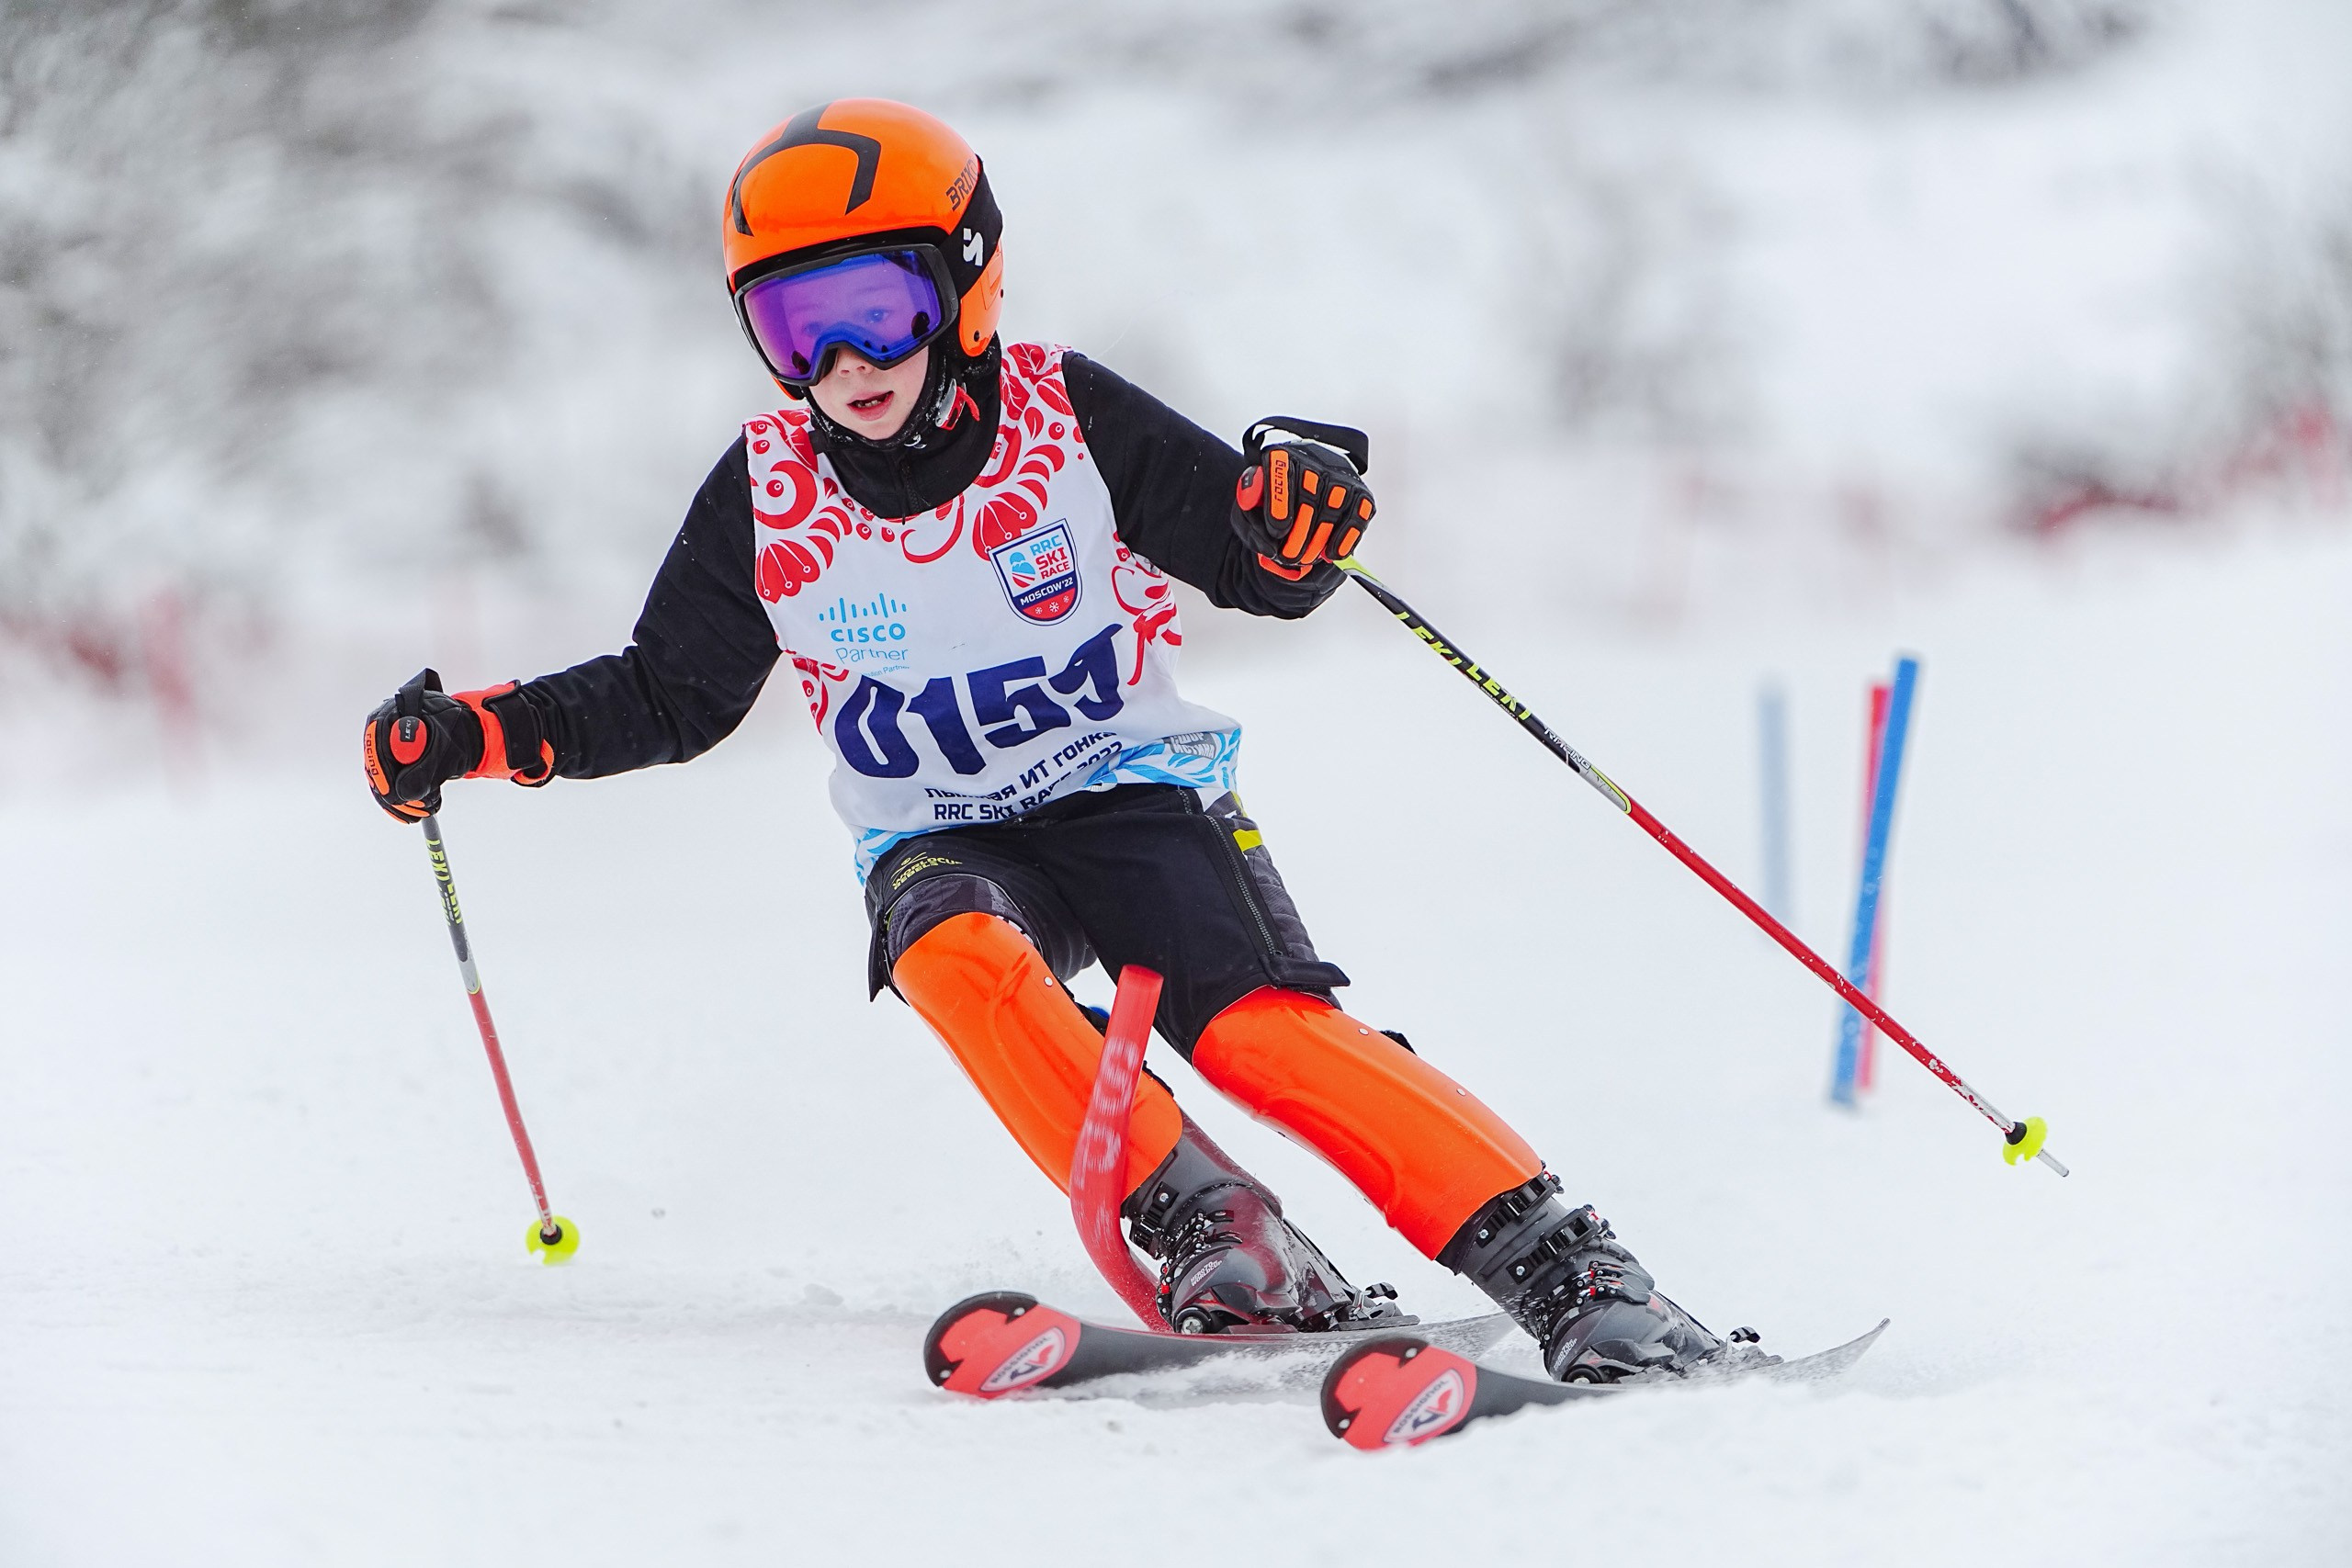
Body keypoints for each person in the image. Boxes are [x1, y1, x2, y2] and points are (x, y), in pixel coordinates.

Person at [362, 99, 1728, 1382]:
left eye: (878, 312)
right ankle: (1225, 1237)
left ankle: (1581, 1276)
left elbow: (1259, 554)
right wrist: (473, 735)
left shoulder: (1062, 416)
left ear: (964, 284)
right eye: (795, 329)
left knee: (1257, 1034)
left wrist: (1298, 505)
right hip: (940, 836)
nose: (844, 367)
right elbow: (671, 694)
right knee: (950, 948)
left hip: (1136, 798)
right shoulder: (768, 489)